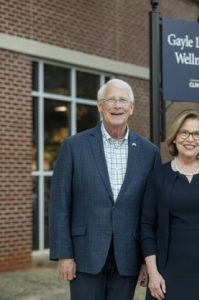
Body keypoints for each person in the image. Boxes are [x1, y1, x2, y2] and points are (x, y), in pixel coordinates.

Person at [49, 78, 161, 300]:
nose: (117, 105)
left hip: (128, 257)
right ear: (100, 106)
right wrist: (64, 255)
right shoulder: (74, 146)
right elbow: (60, 204)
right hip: (85, 255)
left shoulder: (149, 153)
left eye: (123, 100)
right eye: (111, 99)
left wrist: (147, 260)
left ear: (131, 107)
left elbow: (152, 211)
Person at [141, 109, 199, 300]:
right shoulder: (158, 175)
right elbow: (147, 226)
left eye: (196, 134)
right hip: (166, 273)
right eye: (184, 132)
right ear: (174, 137)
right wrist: (153, 272)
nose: (190, 139)